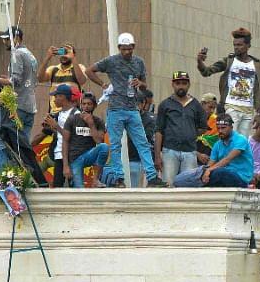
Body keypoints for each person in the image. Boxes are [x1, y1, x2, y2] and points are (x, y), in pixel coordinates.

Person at [82, 32, 167, 188]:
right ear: (119, 48)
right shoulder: (111, 61)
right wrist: (103, 84)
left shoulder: (139, 62)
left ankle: (152, 176)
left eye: (129, 48)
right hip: (115, 109)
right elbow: (88, 71)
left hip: (132, 108)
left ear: (133, 47)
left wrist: (139, 82)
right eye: (123, 49)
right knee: (115, 145)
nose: (126, 52)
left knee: (142, 142)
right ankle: (119, 177)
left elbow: (145, 85)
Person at [196, 28, 260, 137]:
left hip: (248, 109)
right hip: (231, 106)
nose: (236, 47)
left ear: (248, 46)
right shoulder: (229, 60)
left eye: (240, 45)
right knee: (231, 137)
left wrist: (259, 113)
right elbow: (207, 71)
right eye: (235, 45)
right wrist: (200, 61)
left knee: (243, 142)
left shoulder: (256, 64)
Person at [154, 71, 207, 183]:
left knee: (188, 186)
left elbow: (203, 127)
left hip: (190, 152)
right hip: (169, 151)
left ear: (189, 85)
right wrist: (157, 156)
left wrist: (190, 133)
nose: (181, 86)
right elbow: (158, 131)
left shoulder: (196, 105)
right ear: (173, 85)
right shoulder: (165, 104)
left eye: (184, 83)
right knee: (168, 185)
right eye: (178, 83)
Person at [0, 26, 39, 140]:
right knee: (24, 145)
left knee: (12, 144)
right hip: (30, 106)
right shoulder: (29, 54)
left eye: (7, 39)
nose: (5, 42)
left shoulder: (17, 54)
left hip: (19, 105)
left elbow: (15, 81)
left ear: (16, 38)